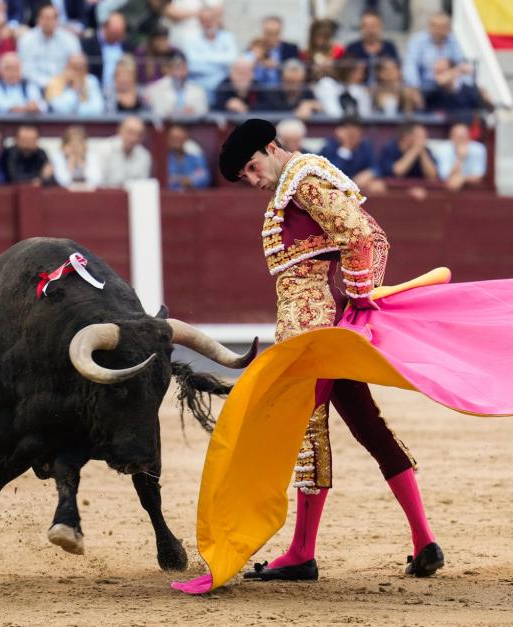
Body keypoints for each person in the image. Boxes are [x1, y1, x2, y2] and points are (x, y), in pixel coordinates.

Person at [171, 117, 442, 594]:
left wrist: (362, 295)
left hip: (313, 332)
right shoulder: (297, 182)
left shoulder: (303, 181)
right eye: (245, 178)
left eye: (253, 168)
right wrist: (354, 301)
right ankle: (423, 542)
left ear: (271, 148)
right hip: (321, 327)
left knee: (306, 431)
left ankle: (302, 552)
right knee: (366, 425)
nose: (253, 181)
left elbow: (364, 236)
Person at [17, 3, 81, 90]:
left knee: (90, 82)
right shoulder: (27, 39)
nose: (48, 22)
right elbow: (25, 69)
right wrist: (48, 83)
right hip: (35, 85)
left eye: (52, 18)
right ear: (38, 19)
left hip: (64, 83)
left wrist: (61, 81)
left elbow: (76, 64)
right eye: (45, 18)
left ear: (57, 20)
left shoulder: (69, 39)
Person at [403, 11, 464, 96]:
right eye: (436, 26)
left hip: (448, 85)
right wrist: (414, 87)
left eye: (443, 27)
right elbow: (410, 65)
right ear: (430, 26)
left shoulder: (453, 40)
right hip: (424, 85)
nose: (439, 31)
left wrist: (459, 85)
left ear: (449, 28)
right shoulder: (418, 40)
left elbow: (461, 64)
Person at [320, 117, 385, 195]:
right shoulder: (329, 147)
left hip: (359, 186)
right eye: (349, 133)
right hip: (336, 188)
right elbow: (332, 173)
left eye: (356, 132)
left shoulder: (365, 147)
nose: (352, 136)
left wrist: (371, 173)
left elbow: (377, 167)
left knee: (377, 186)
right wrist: (346, 148)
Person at [183, 5, 236, 96]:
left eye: (210, 20)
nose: (208, 24)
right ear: (199, 22)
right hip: (199, 87)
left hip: (223, 87)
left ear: (216, 20)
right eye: (204, 21)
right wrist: (221, 62)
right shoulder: (191, 39)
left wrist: (204, 58)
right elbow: (192, 65)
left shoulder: (228, 37)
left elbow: (232, 60)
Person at [80, 11, 133, 92]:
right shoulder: (88, 43)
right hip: (96, 89)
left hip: (121, 91)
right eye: (115, 32)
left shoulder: (126, 44)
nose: (118, 36)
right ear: (105, 28)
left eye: (120, 32)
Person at [144, 52, 208, 118]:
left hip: (191, 124)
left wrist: (193, 111)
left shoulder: (198, 90)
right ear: (168, 69)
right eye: (177, 67)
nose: (180, 71)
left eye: (183, 67)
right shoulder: (155, 89)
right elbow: (159, 111)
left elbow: (203, 111)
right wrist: (178, 112)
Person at [344, 9, 399, 80]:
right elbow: (345, 75)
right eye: (365, 26)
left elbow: (397, 73)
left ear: (380, 26)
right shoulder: (352, 48)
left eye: (373, 26)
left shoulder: (389, 47)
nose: (369, 30)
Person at [424, 57, 489, 116]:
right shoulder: (432, 91)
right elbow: (439, 81)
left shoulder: (468, 91)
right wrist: (459, 69)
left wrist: (485, 100)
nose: (437, 76)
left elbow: (485, 109)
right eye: (436, 72)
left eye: (441, 72)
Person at [314, 54, 372, 118]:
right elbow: (333, 113)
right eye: (360, 73)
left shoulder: (360, 90)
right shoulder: (327, 84)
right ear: (349, 72)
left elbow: (365, 114)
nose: (362, 77)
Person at [433, 122, 486, 191]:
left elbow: (479, 175)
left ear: (469, 137)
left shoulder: (478, 148)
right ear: (451, 138)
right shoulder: (443, 149)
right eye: (459, 137)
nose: (462, 140)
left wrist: (462, 179)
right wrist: (460, 158)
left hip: (473, 191)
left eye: (465, 136)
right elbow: (445, 176)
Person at [247, 15, 298, 87]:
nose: (271, 37)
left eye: (275, 33)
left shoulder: (291, 49)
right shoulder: (254, 47)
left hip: (282, 90)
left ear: (280, 33)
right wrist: (255, 59)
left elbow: (297, 70)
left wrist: (278, 66)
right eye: (268, 33)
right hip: (258, 91)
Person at [101, 114, 150, 188]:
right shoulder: (104, 150)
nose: (134, 138)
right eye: (130, 132)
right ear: (120, 130)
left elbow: (142, 186)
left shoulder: (144, 156)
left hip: (134, 197)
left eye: (138, 134)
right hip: (107, 196)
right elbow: (98, 183)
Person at [52, 124, 101, 189]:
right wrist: (70, 164)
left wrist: (82, 163)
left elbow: (96, 181)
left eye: (78, 145)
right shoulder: (58, 157)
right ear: (64, 146)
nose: (75, 149)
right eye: (72, 145)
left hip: (87, 193)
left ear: (84, 145)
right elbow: (64, 182)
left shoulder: (91, 156)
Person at [166, 123, 209, 190]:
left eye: (179, 138)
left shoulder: (194, 153)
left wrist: (190, 180)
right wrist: (180, 180)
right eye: (173, 138)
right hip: (170, 195)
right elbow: (163, 180)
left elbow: (204, 177)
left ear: (185, 138)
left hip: (192, 195)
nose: (176, 141)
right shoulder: (164, 156)